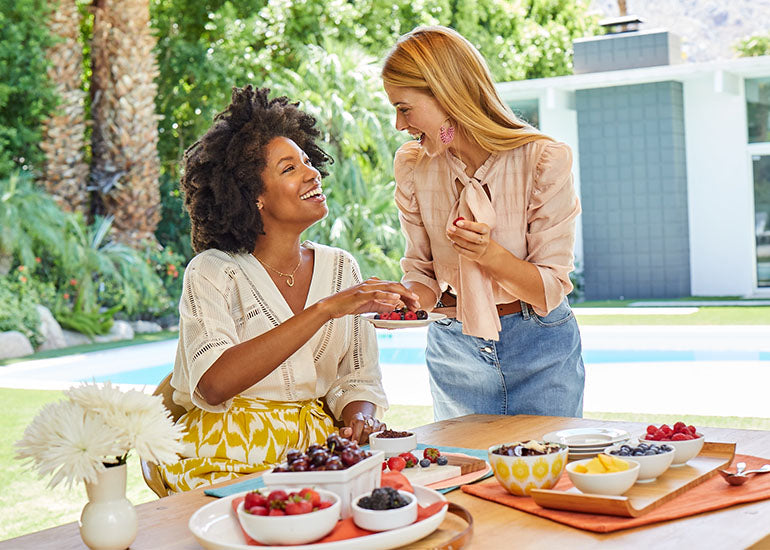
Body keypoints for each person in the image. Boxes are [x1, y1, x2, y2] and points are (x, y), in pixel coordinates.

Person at [159, 86, 419, 492]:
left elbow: (356, 379)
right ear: (254, 196)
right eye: (288, 168)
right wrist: (324, 310)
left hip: (317, 453)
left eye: (306, 161)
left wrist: (359, 416)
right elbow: (212, 383)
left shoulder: (340, 268)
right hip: (227, 452)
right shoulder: (212, 271)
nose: (312, 172)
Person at [381, 26, 585, 421]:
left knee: (546, 477)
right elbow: (421, 273)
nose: (398, 124)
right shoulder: (413, 167)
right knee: (465, 476)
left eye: (404, 108)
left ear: (446, 93)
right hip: (454, 349)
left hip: (540, 345)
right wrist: (405, 302)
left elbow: (550, 288)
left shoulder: (542, 160)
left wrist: (490, 255)